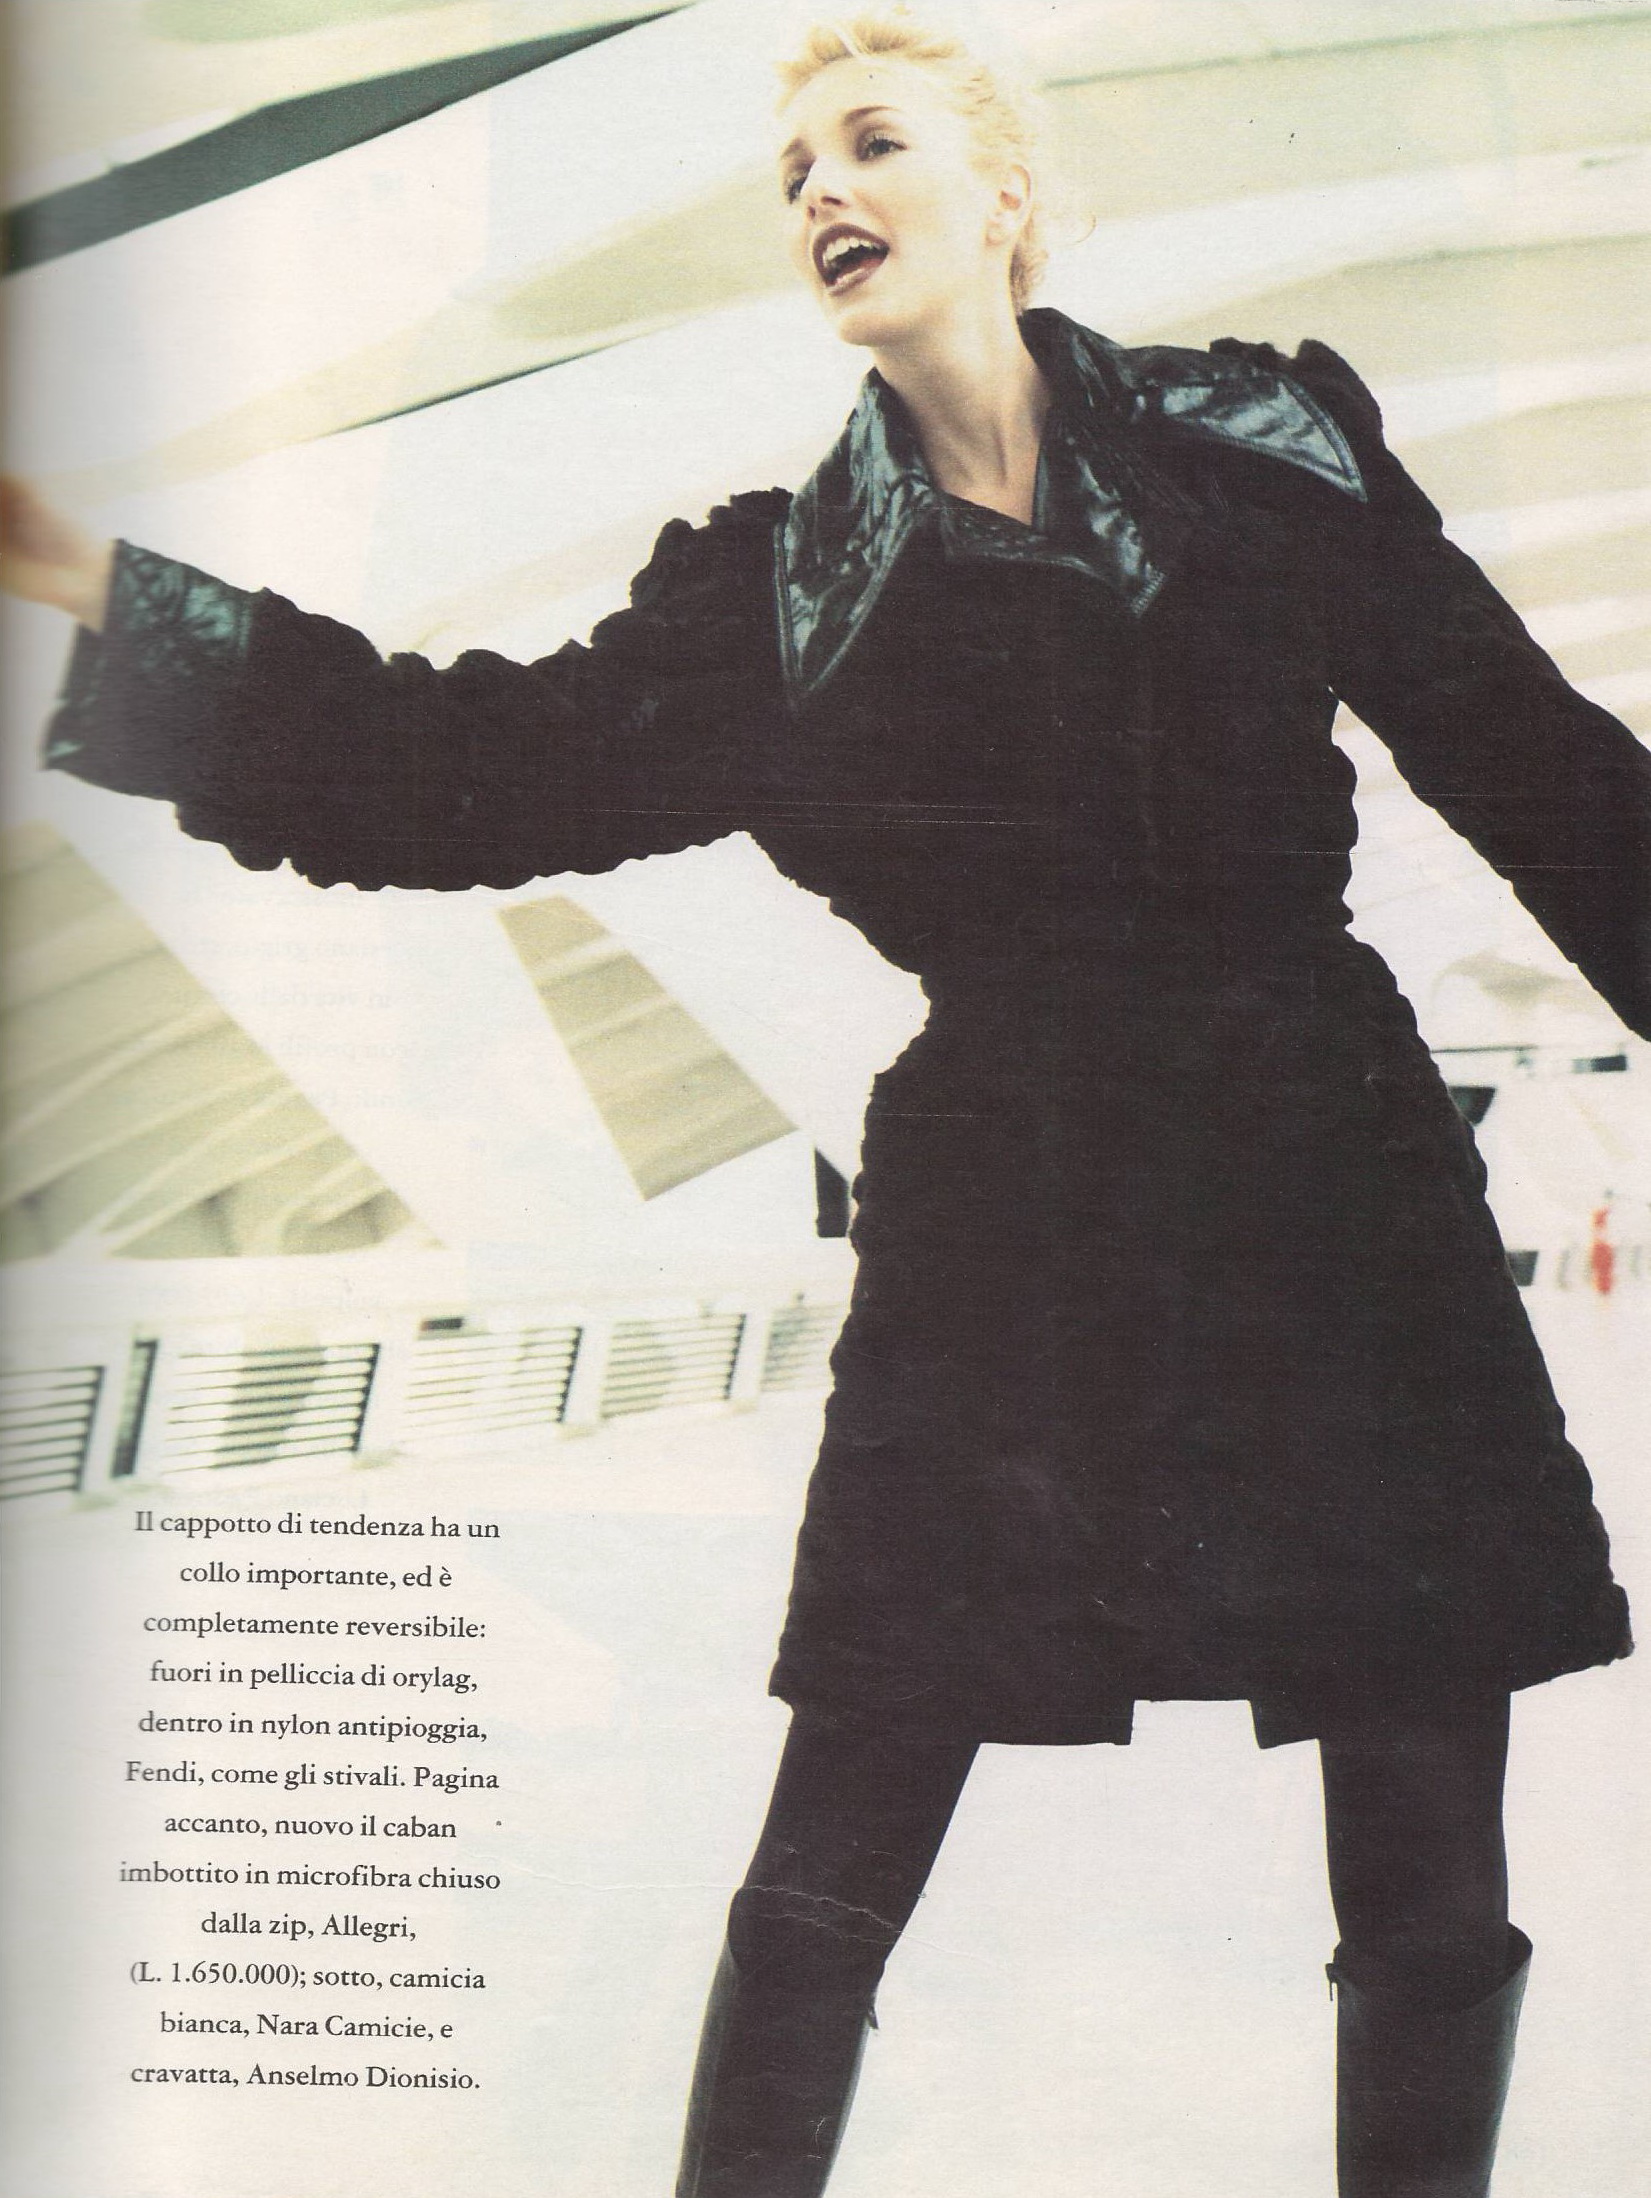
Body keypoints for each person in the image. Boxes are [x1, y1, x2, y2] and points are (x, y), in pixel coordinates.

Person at [4, 9, 1647, 2192]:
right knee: (835, 1846)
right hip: (1008, 1221)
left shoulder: (1267, 444)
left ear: (1005, 194)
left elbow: (1534, 759)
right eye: (791, 175)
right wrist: (87, 583)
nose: (821, 195)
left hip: (1327, 1180)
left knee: (1429, 1845)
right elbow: (448, 772)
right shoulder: (771, 597)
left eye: (869, 143)